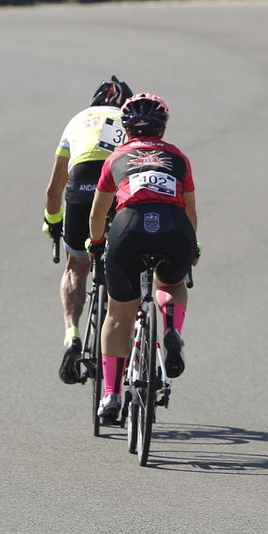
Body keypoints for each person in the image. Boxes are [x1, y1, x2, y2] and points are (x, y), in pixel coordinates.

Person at [85, 93, 199, 423]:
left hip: (128, 227)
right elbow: (190, 211)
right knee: (172, 282)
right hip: (174, 227)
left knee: (118, 313)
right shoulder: (178, 158)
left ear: (127, 129)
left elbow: (97, 213)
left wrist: (96, 243)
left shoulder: (115, 158)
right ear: (162, 130)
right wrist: (193, 248)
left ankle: (110, 395)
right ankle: (171, 328)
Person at [43, 75, 132, 384]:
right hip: (117, 186)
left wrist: (53, 221)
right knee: (127, 262)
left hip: (81, 184)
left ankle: (72, 333)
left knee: (76, 266)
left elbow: (54, 191)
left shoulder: (77, 121)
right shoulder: (132, 122)